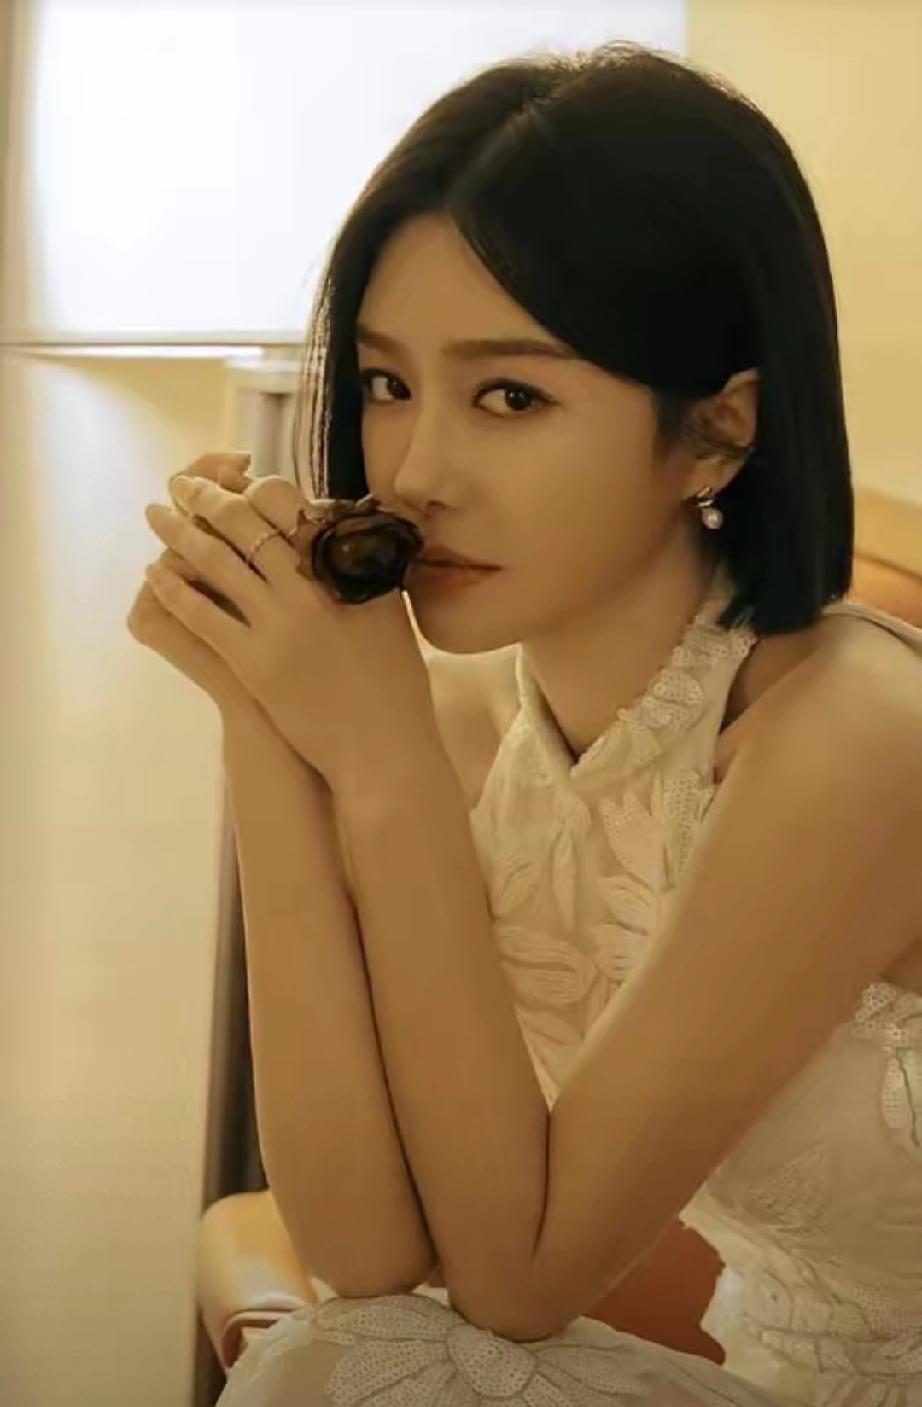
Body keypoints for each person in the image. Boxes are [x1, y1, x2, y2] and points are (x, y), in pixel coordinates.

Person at [216, 39, 922, 1407]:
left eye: (511, 396)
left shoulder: (853, 734)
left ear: (717, 431)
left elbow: (523, 1280)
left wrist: (377, 762)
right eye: (386, 385)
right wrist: (261, 718)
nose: (417, 473)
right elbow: (363, 1251)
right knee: (334, 1357)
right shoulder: (470, 720)